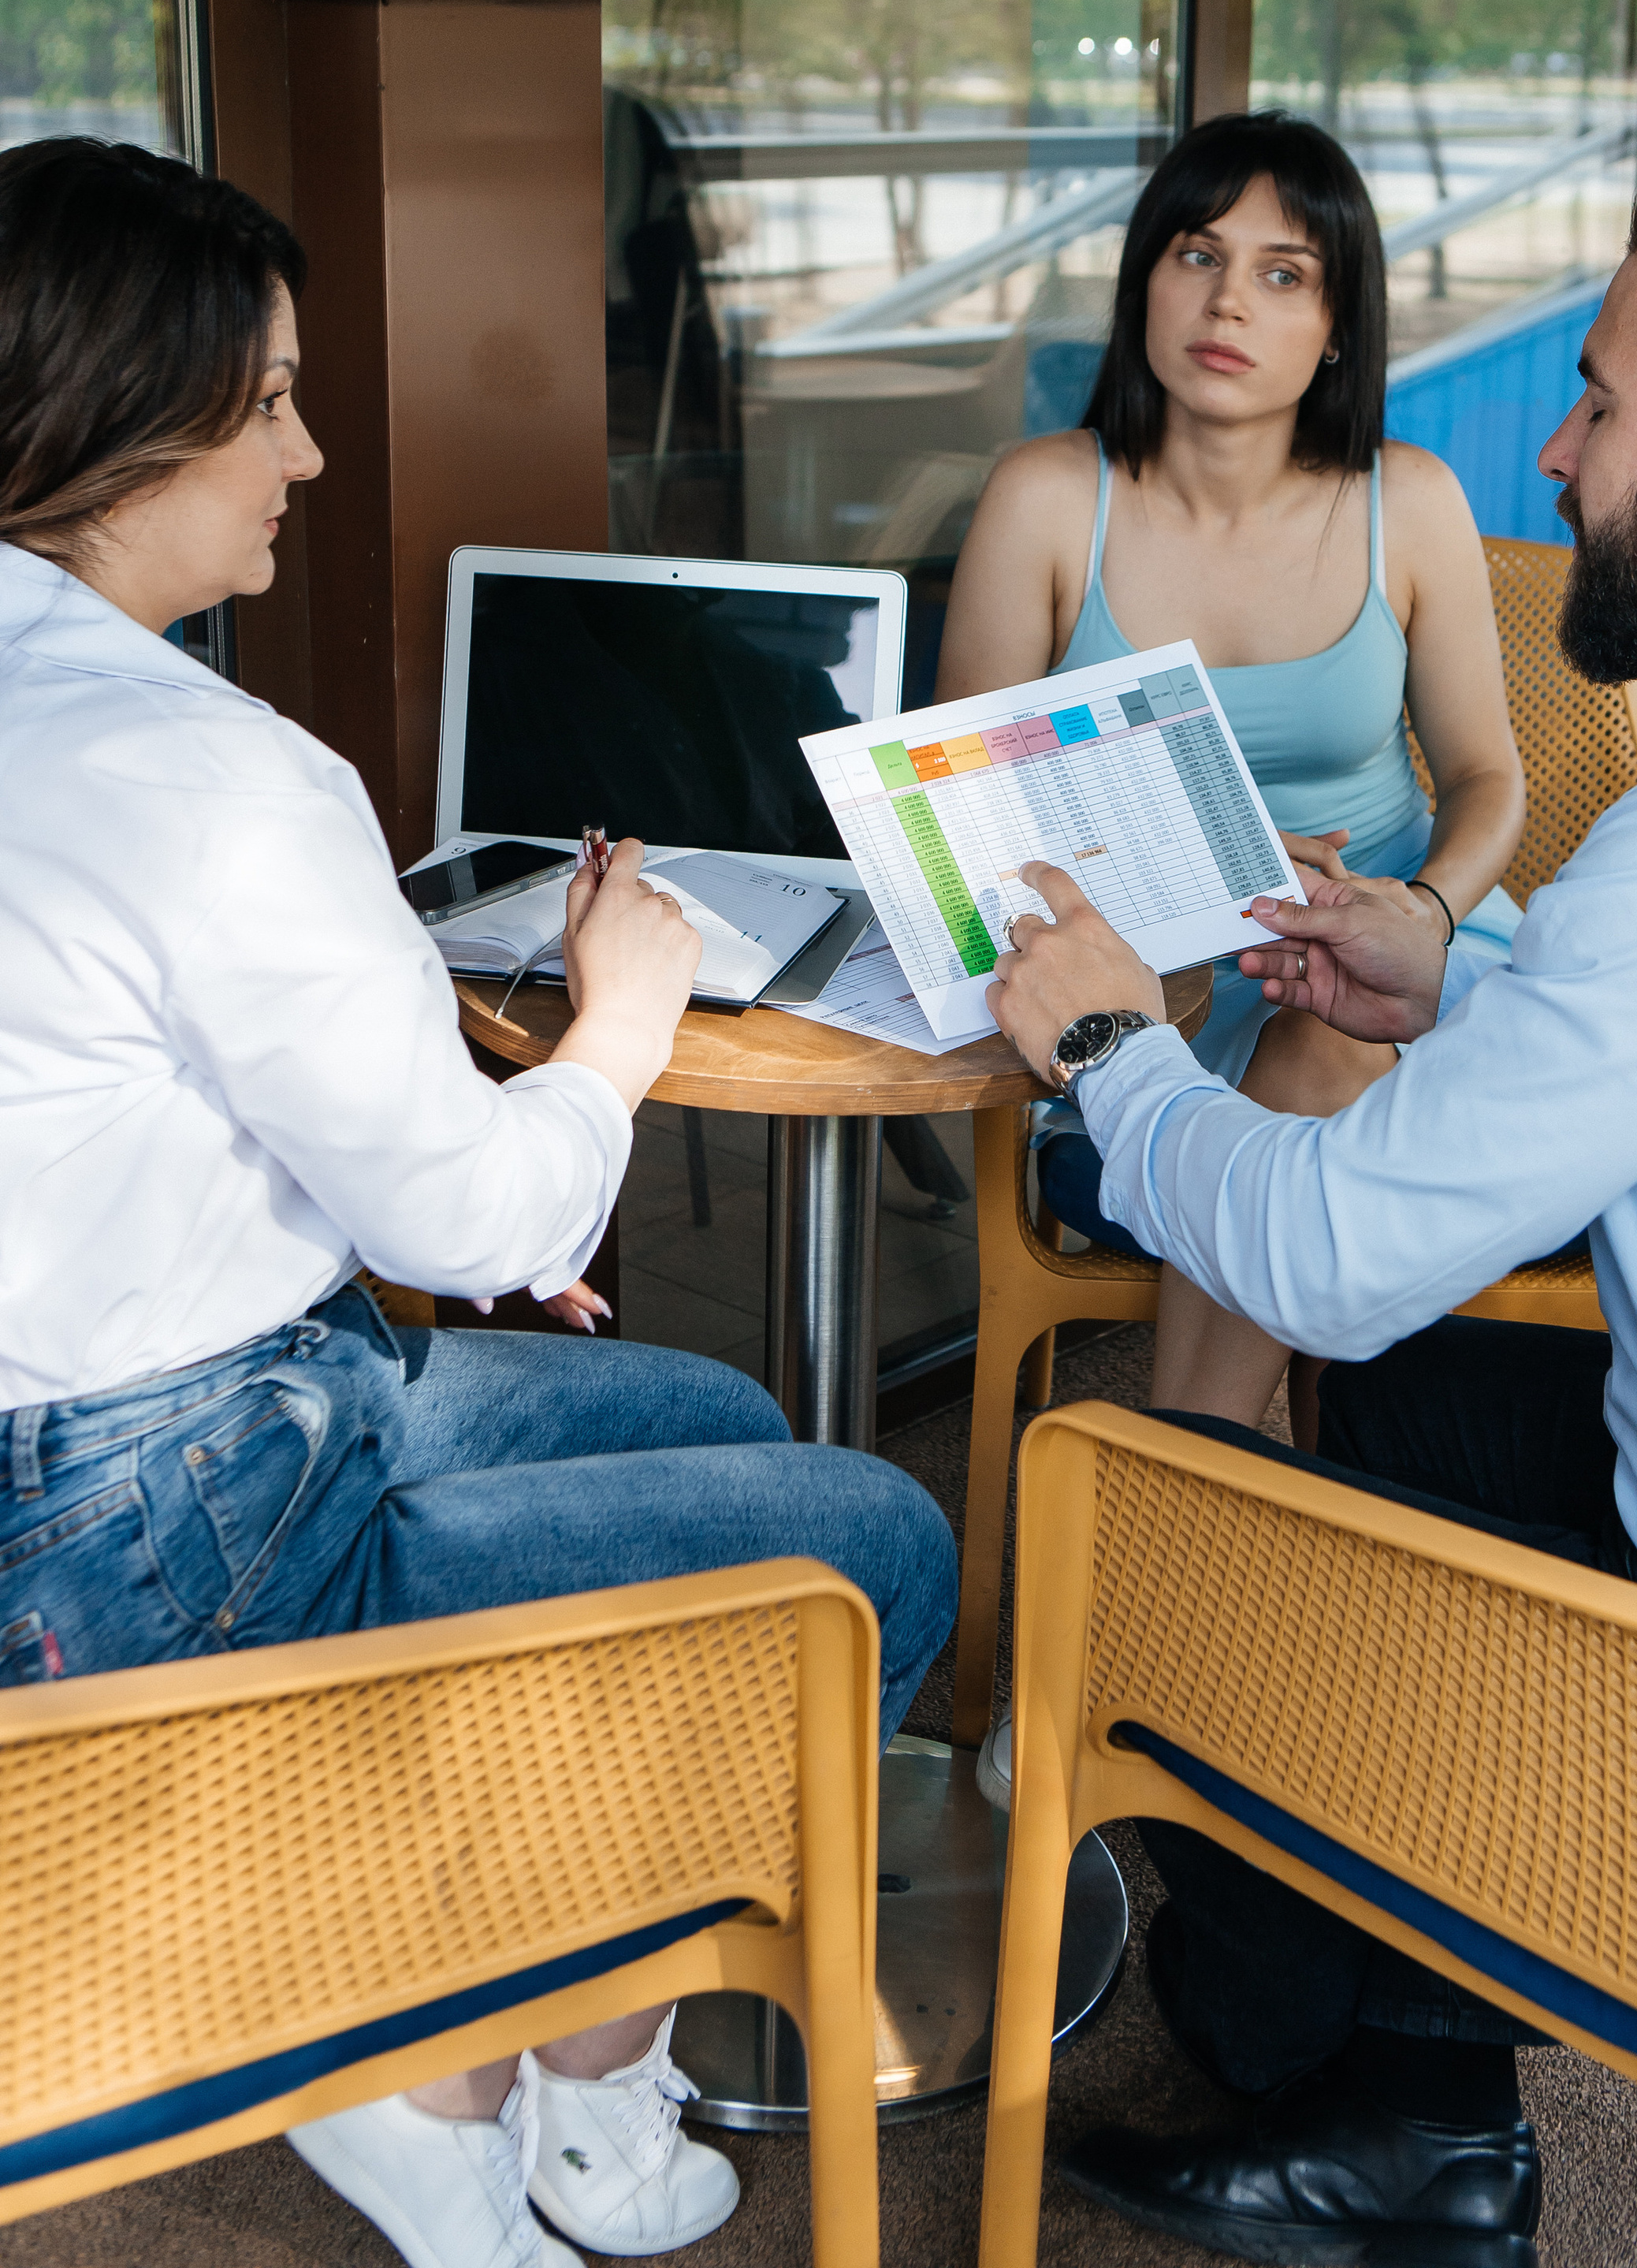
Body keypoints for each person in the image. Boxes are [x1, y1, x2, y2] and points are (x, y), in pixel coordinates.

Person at [983, 143, 1637, 2268]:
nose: (1555, 448)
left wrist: (1111, 1046)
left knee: (1144, 1481)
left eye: (1601, 401)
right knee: (1385, 1396)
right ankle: (1416, 2099)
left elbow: (1314, 1247)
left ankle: (1325, 2066)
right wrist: (1461, 970)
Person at [0, 141, 958, 2268]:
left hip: (194, 1406)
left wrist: (486, 1203)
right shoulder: (213, 775)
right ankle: (448, 2055)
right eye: (264, 398)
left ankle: (559, 2060)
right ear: (110, 419)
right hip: (170, 1516)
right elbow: (453, 1217)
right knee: (873, 1545)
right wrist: (613, 1026)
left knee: (719, 1430)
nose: (311, 451)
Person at [937, 110, 1525, 1445]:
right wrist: (1221, 875)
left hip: (1384, 961)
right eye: (1197, 255)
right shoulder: (1043, 496)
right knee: (1305, 1092)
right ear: (1146, 277)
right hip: (1138, 982)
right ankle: (1214, 1498)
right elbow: (968, 807)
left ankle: (1180, 1489)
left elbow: (1490, 778)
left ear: (1337, 327)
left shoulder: (1410, 500)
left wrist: (1413, 912)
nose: (1226, 301)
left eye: (1283, 273)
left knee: (1330, 1033)